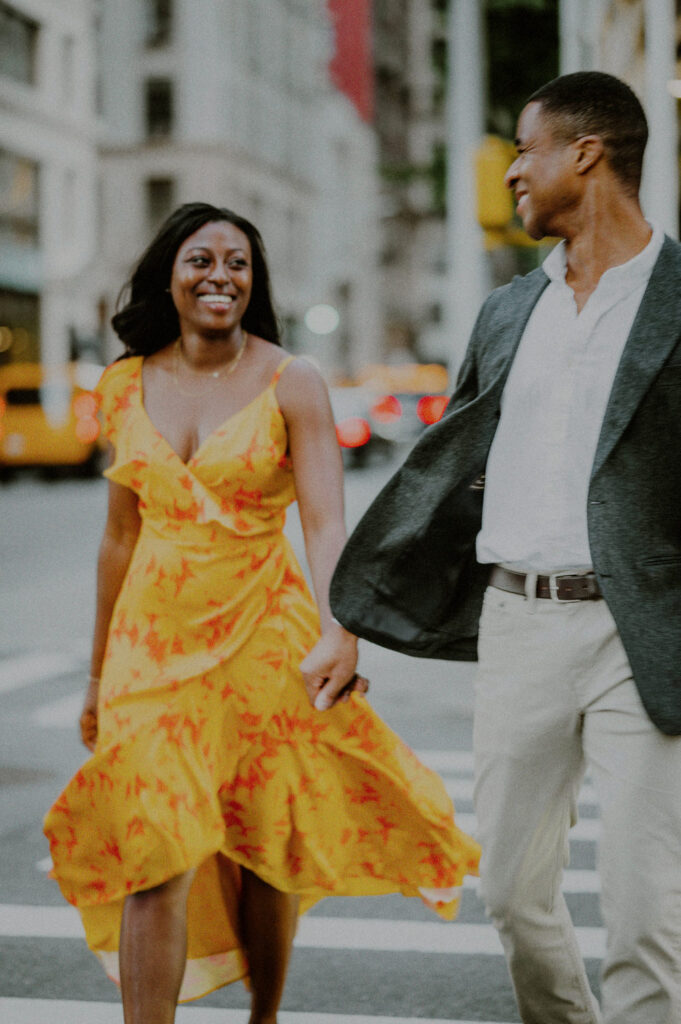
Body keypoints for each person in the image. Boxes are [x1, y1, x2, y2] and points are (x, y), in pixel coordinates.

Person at [43, 202, 480, 1024]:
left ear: (256, 280)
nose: (220, 277)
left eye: (237, 263)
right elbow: (117, 538)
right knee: (154, 851)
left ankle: (263, 1017)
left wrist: (337, 629)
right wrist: (99, 675)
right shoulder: (123, 383)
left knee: (262, 843)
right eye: (201, 260)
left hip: (262, 637)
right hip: (152, 648)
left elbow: (323, 520)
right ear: (168, 274)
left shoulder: (294, 379)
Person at [330, 72, 681, 1024]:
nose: (512, 172)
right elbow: (445, 475)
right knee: (514, 901)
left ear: (586, 153)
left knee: (648, 915)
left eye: (525, 150)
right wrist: (354, 613)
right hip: (518, 623)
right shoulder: (506, 312)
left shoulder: (677, 300)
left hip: (640, 633)